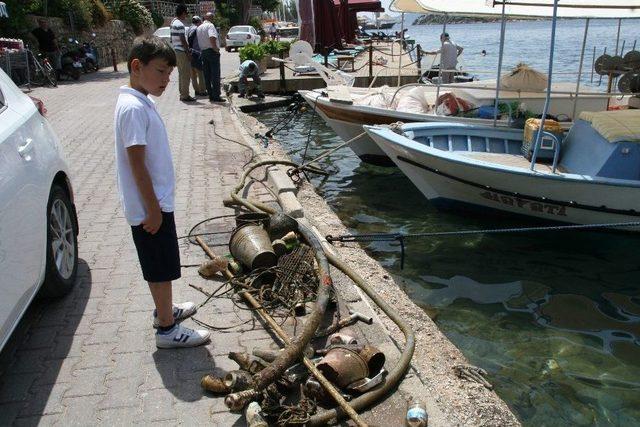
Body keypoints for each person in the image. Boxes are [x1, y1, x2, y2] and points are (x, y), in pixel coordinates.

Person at [114, 36, 210, 349]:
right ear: (136, 67)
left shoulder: (140, 101)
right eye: (160, 72)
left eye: (169, 74)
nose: (166, 80)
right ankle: (167, 330)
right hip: (150, 207)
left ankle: (165, 310)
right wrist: (153, 208)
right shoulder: (132, 108)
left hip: (155, 202)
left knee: (163, 263)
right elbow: (136, 164)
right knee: (159, 265)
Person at [197, 12, 225, 102]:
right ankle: (216, 96)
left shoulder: (199, 27)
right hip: (211, 52)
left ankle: (210, 95)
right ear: (212, 18)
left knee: (207, 75)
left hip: (203, 52)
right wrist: (215, 48)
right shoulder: (210, 26)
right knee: (215, 75)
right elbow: (212, 37)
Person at [171, 4, 195, 101]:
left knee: (181, 73)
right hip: (182, 51)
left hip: (176, 51)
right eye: (186, 13)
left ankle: (182, 93)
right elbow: (183, 40)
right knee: (186, 74)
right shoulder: (180, 24)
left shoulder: (173, 22)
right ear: (183, 13)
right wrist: (188, 53)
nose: (186, 16)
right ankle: (185, 95)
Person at [188, 15, 207, 96]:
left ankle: (196, 90)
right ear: (199, 22)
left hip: (189, 52)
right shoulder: (198, 29)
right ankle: (202, 90)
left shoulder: (189, 28)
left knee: (193, 75)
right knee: (201, 73)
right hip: (197, 53)